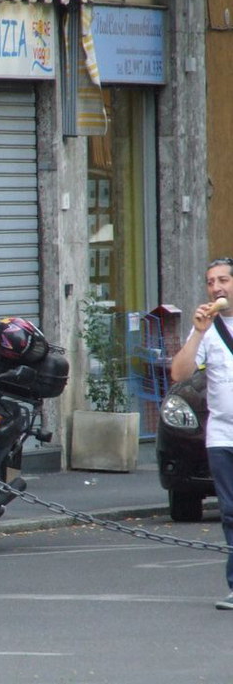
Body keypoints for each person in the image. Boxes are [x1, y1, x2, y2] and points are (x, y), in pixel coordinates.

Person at [171, 256, 233, 610]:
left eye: (223, 280)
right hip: (222, 434)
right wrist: (197, 332)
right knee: (230, 512)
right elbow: (180, 374)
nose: (216, 288)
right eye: (211, 282)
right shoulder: (208, 330)